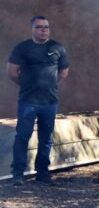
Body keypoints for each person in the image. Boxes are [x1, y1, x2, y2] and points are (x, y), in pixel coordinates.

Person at [6, 16, 69, 186]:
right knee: (22, 136)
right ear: (32, 29)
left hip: (49, 102)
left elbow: (63, 72)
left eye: (46, 27)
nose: (44, 30)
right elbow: (12, 72)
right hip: (28, 101)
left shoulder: (57, 48)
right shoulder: (22, 48)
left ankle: (42, 173)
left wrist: (49, 84)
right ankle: (17, 174)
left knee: (46, 138)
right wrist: (28, 84)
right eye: (40, 27)